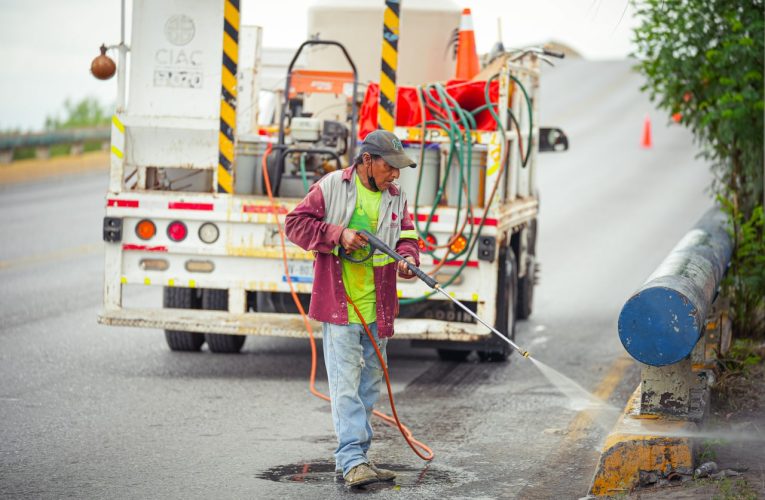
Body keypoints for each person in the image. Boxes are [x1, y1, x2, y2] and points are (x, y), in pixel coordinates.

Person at [284, 130, 421, 487]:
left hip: (380, 306)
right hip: (343, 305)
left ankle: (358, 456)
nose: (396, 174)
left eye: (399, 168)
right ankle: (351, 459)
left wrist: (407, 259)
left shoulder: (396, 194)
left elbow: (407, 235)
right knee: (345, 383)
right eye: (390, 167)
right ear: (367, 161)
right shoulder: (331, 186)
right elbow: (295, 224)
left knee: (370, 384)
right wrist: (338, 235)